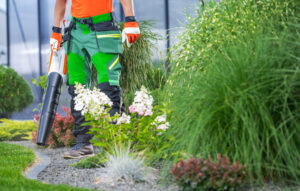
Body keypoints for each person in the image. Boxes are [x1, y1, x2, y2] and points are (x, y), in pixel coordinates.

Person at [50, 0, 140, 159]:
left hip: (102, 28)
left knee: (108, 84)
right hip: (76, 31)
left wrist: (130, 19)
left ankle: (116, 143)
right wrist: (56, 30)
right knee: (77, 88)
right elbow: (61, 1)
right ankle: (83, 143)